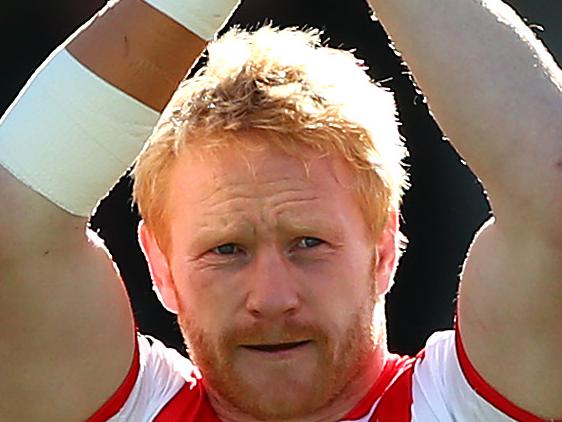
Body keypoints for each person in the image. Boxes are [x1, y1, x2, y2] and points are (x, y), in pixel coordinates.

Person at [0, 0, 560, 421]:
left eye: (308, 243)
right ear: (161, 268)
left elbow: (551, 197)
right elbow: (14, 220)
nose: (272, 298)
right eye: (227, 250)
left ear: (384, 247)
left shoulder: (457, 408)